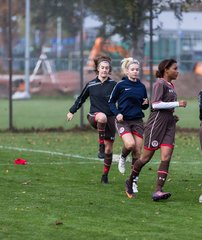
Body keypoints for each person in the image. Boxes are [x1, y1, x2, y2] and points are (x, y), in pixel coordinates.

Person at [124, 59, 187, 201]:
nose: (177, 71)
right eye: (175, 68)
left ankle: (158, 190)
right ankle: (130, 180)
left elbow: (165, 106)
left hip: (169, 124)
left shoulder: (170, 85)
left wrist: (171, 114)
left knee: (166, 157)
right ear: (166, 70)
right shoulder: (160, 83)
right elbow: (156, 104)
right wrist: (178, 103)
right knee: (145, 157)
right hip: (156, 124)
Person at [67, 55, 116, 184]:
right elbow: (81, 99)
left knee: (109, 150)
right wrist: (72, 111)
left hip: (110, 119)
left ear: (109, 70)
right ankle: (100, 146)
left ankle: (105, 175)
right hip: (95, 116)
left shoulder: (114, 85)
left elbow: (123, 100)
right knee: (102, 117)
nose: (104, 70)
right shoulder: (91, 85)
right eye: (102, 67)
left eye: (107, 68)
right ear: (98, 69)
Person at [108, 57, 149, 192]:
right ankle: (123, 157)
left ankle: (133, 181)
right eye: (133, 69)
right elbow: (111, 102)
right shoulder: (120, 85)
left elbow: (143, 106)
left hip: (137, 121)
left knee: (137, 151)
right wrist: (117, 113)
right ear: (127, 71)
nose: (135, 72)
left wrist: (146, 104)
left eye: (137, 70)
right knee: (130, 145)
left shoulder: (142, 87)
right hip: (123, 120)